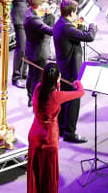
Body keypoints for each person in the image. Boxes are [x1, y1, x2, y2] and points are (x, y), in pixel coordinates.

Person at [27, 63, 84, 193]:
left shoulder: (38, 88)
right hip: (49, 139)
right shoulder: (57, 96)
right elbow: (80, 93)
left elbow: (50, 87)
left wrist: (57, 82)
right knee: (48, 174)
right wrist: (78, 83)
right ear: (57, 78)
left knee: (36, 171)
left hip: (35, 135)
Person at [53, 0, 96, 143]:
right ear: (71, 13)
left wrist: (80, 25)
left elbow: (76, 35)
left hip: (64, 67)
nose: (76, 15)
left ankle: (61, 128)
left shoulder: (60, 23)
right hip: (71, 69)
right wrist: (92, 26)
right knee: (73, 100)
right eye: (75, 12)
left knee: (64, 99)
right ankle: (70, 133)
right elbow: (89, 37)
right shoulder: (67, 28)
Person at [24, 0, 56, 107]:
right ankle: (35, 100)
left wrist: (46, 14)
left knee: (31, 75)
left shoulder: (29, 12)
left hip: (31, 49)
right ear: (39, 5)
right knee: (37, 78)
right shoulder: (34, 20)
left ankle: (30, 98)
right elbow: (51, 31)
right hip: (39, 52)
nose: (46, 5)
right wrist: (50, 15)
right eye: (44, 4)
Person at [8, 0, 34, 88]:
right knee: (21, 49)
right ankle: (16, 77)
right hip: (19, 20)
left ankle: (24, 73)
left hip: (28, 19)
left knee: (28, 47)